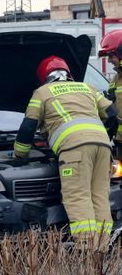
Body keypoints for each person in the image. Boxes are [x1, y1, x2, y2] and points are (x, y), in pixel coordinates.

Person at [13, 55, 117, 251]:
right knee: (100, 195)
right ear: (68, 73)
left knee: (78, 196)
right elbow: (112, 114)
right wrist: (105, 136)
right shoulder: (87, 87)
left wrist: (19, 157)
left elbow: (28, 127)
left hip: (74, 149)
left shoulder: (42, 92)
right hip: (102, 146)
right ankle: (103, 247)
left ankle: (87, 246)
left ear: (44, 76)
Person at [98, 30, 122, 155]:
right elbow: (111, 109)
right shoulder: (115, 79)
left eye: (111, 56)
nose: (109, 61)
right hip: (119, 140)